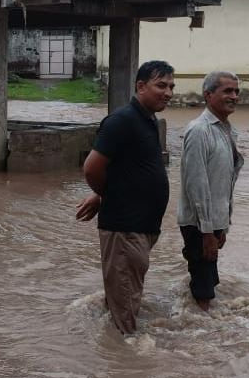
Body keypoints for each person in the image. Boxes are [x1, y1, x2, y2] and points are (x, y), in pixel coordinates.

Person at [75, 60, 175, 334]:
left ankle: (113, 342)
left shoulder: (148, 121)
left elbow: (127, 168)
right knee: (125, 311)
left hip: (141, 228)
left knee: (125, 295)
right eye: (161, 85)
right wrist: (104, 195)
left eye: (171, 86)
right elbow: (92, 168)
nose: (167, 92)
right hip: (124, 228)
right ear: (140, 86)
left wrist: (102, 196)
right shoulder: (122, 121)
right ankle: (124, 364)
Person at [177, 71, 243, 311]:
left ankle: (201, 324)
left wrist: (223, 225)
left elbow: (225, 183)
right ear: (208, 95)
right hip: (198, 224)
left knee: (208, 281)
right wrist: (207, 233)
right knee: (204, 291)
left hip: (213, 222)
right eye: (227, 91)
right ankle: (200, 339)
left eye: (236, 91)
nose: (234, 96)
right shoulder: (199, 131)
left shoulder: (226, 130)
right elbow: (196, 184)